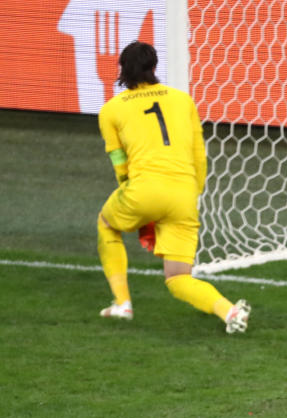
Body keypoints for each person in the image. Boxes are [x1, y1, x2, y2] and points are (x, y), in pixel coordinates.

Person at [95, 41, 250, 334]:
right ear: (154, 67)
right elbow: (197, 154)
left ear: (122, 70)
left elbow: (119, 161)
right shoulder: (183, 100)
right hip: (184, 194)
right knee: (178, 278)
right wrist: (194, 192)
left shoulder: (110, 110)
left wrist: (136, 202)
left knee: (106, 224)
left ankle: (122, 303)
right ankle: (229, 311)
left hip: (142, 190)